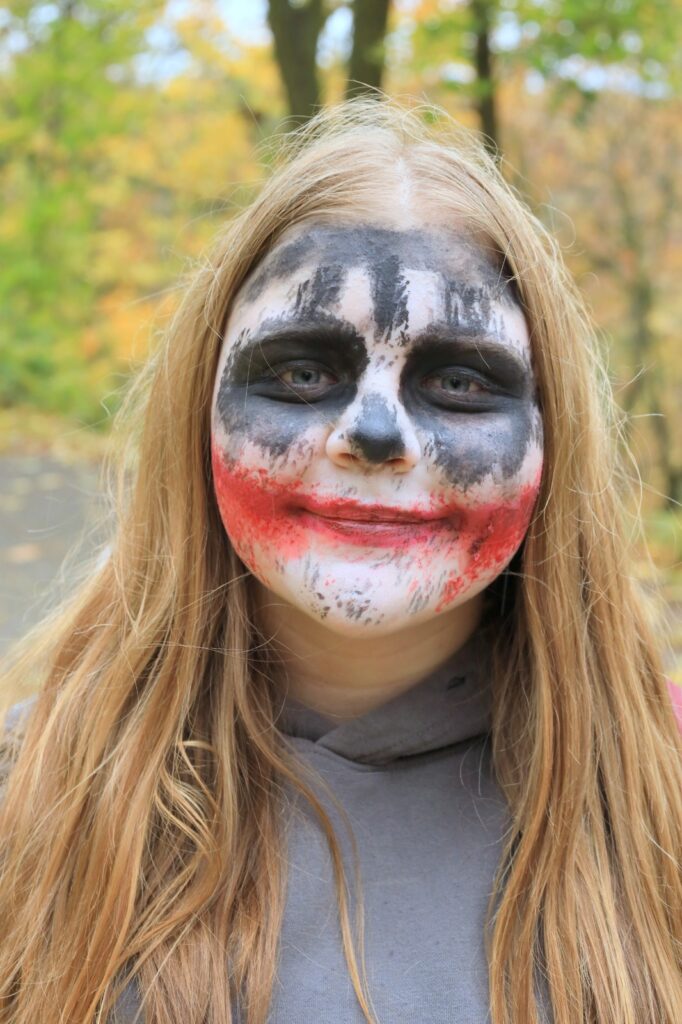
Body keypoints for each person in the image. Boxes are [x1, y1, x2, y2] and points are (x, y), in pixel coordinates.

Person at [1, 99, 680, 1024]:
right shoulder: (30, 792)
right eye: (302, 372)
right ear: (199, 410)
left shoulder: (662, 797)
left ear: (549, 435)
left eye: (459, 382)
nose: (373, 436)